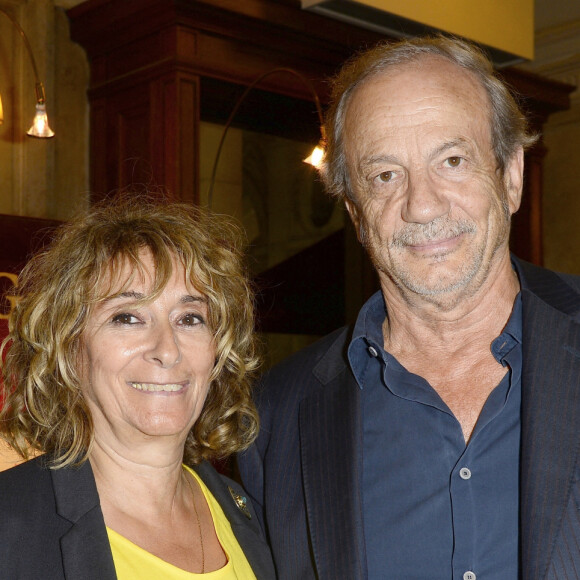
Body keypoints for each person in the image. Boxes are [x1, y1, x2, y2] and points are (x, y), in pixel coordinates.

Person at [237, 34, 580, 579]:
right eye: (385, 175)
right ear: (355, 211)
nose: (421, 206)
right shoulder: (279, 414)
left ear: (510, 176)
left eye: (451, 159)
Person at [0, 197, 275, 579]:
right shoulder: (10, 524)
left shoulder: (247, 510)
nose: (167, 350)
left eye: (190, 318)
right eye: (127, 317)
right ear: (68, 346)